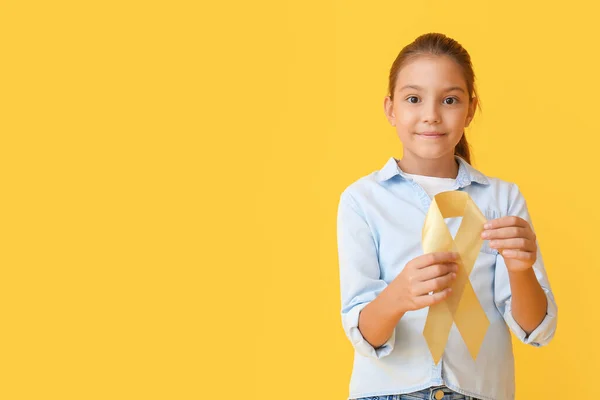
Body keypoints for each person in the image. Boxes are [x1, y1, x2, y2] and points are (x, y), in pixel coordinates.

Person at [336, 32, 558, 400]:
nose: (431, 115)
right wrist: (399, 296)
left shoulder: (503, 198)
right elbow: (365, 336)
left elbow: (536, 328)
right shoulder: (362, 200)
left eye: (450, 100)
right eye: (413, 99)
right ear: (391, 109)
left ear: (470, 109)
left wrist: (521, 269)